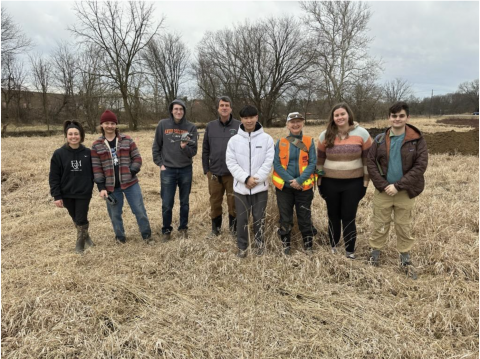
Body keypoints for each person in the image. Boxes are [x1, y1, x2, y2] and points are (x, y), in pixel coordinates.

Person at [367, 101, 428, 278]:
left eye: (401, 116)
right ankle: (375, 255)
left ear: (407, 117)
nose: (397, 119)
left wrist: (398, 186)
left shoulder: (417, 140)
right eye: (394, 116)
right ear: (389, 118)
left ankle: (405, 259)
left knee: (404, 226)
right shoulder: (379, 140)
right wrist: (384, 185)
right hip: (383, 191)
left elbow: (420, 166)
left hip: (405, 192)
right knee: (379, 224)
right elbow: (370, 163)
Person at [317, 102, 372, 259]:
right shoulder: (325, 135)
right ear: (333, 118)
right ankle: (333, 247)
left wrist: (365, 183)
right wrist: (319, 182)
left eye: (342, 114)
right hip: (329, 183)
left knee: (349, 217)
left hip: (354, 183)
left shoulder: (362, 134)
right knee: (333, 216)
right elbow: (319, 161)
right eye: (336, 115)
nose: (340, 117)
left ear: (349, 115)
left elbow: (368, 160)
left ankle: (350, 251)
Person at [91, 110, 152, 244]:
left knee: (139, 211)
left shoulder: (127, 140)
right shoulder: (96, 145)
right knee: (115, 214)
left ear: (116, 125)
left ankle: (147, 235)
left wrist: (132, 171)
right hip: (111, 187)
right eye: (106, 123)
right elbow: (96, 168)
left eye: (112, 123)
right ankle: (120, 238)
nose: (109, 126)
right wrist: (101, 187)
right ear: (102, 125)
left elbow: (137, 158)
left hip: (130, 183)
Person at [226, 105, 274, 258]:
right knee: (242, 219)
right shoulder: (234, 141)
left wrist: (256, 180)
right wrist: (246, 179)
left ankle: (260, 245)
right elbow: (231, 162)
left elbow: (268, 162)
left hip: (260, 189)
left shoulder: (266, 139)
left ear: (257, 118)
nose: (249, 120)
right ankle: (242, 247)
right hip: (241, 189)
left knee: (259, 218)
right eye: (245, 118)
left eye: (252, 117)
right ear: (241, 119)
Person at [272, 112, 317, 255]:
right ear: (287, 124)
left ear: (303, 123)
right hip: (284, 188)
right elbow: (277, 165)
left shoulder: (309, 141)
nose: (295, 124)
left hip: (304, 188)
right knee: (285, 217)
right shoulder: (281, 142)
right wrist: (290, 181)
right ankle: (286, 246)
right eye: (292, 121)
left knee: (305, 217)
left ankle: (308, 246)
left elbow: (312, 163)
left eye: (298, 121)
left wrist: (299, 181)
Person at [152, 99, 198, 241]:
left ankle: (183, 228)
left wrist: (184, 147)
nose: (179, 111)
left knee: (184, 202)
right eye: (176, 109)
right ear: (171, 110)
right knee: (167, 203)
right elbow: (156, 147)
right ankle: (166, 230)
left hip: (185, 170)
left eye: (181, 109)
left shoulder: (190, 128)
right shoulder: (163, 125)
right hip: (168, 171)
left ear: (184, 111)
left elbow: (193, 151)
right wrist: (161, 164)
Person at [49, 120, 94, 254]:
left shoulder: (88, 153)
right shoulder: (59, 154)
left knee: (81, 217)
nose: (73, 136)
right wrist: (56, 195)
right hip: (66, 192)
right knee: (75, 218)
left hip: (83, 192)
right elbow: (54, 176)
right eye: (70, 134)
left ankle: (79, 243)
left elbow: (95, 172)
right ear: (66, 136)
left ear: (81, 135)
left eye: (76, 134)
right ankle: (86, 237)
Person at [202, 96, 241, 237]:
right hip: (214, 173)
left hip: (232, 174)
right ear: (218, 108)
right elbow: (205, 149)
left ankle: (234, 230)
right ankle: (215, 230)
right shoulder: (211, 126)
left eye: (227, 105)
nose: (224, 108)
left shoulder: (239, 126)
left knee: (233, 202)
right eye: (221, 105)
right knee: (215, 202)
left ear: (231, 108)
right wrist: (206, 169)